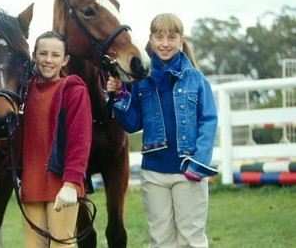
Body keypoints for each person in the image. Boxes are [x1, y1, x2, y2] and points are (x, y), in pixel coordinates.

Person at [106, 13, 218, 248]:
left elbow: (208, 121)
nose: (165, 43)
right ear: (150, 39)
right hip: (154, 174)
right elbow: (132, 123)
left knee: (190, 238)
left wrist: (199, 162)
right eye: (159, 37)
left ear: (181, 40)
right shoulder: (139, 81)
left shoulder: (196, 80)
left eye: (171, 37)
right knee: (161, 239)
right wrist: (120, 96)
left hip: (188, 170)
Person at [19, 31, 92, 248]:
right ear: (34, 56)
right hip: (31, 183)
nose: (48, 60)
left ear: (65, 59)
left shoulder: (74, 91)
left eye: (55, 55)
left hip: (62, 185)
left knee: (62, 244)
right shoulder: (25, 91)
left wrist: (71, 183)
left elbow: (80, 141)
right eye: (43, 53)